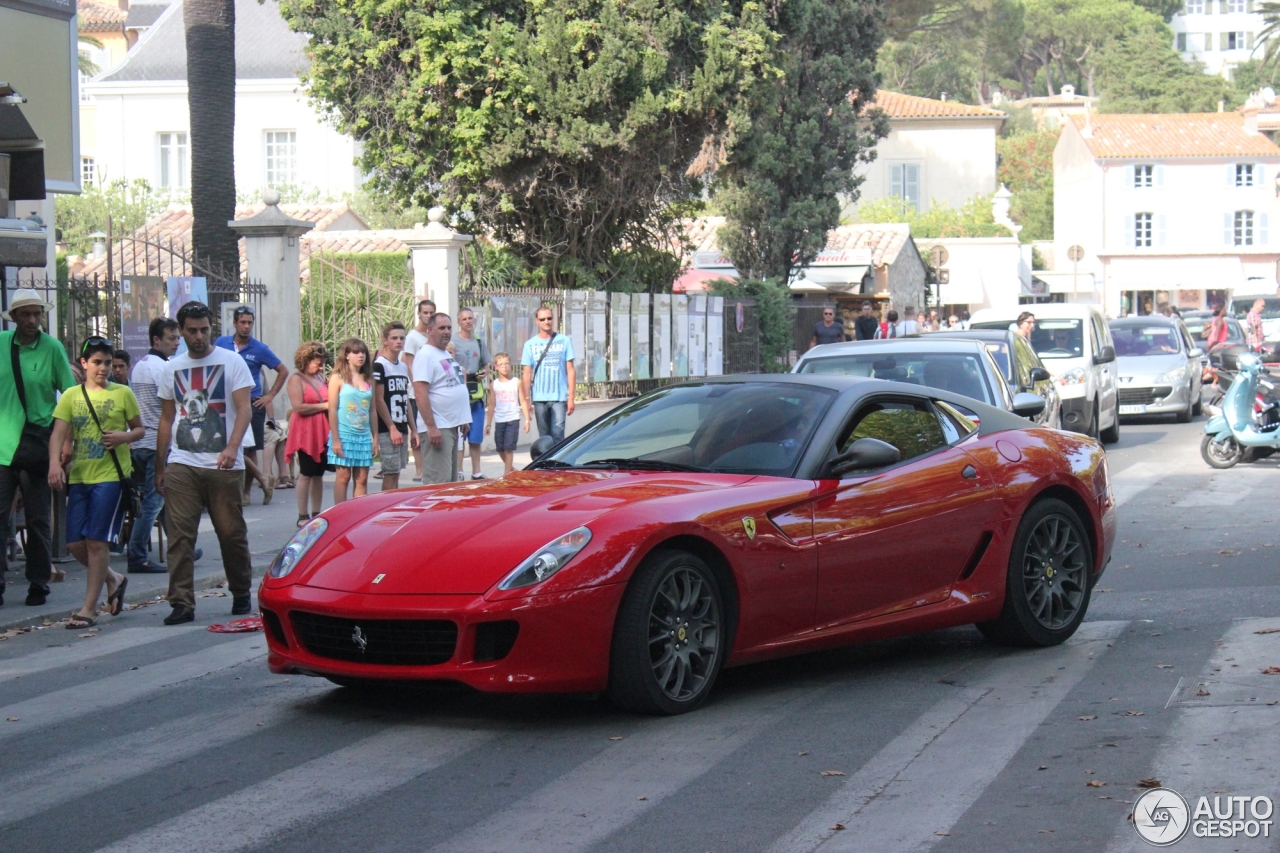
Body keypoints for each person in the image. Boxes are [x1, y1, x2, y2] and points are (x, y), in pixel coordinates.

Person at [155, 301, 255, 625]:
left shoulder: (232, 361)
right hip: (182, 462)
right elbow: (167, 419)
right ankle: (181, 602)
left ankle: (241, 590)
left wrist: (232, 447)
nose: (199, 336)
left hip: (224, 463)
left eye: (204, 330)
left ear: (211, 328)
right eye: (192, 330)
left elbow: (244, 410)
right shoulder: (171, 368)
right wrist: (161, 465)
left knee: (231, 534)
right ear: (181, 331)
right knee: (180, 535)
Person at [47, 337, 142, 628]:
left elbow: (139, 429)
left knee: (96, 543)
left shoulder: (123, 393)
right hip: (80, 476)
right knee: (75, 543)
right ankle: (114, 578)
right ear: (84, 364)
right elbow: (58, 433)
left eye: (108, 363)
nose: (103, 369)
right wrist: (54, 464)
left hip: (111, 477)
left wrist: (123, 436)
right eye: (97, 362)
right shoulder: (71, 396)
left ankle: (89, 607)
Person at [0, 289, 77, 608]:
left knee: (37, 519)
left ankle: (38, 582)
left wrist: (67, 442)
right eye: (26, 314)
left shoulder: (52, 348)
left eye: (36, 314)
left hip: (38, 447)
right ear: (14, 317)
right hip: (3, 448)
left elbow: (71, 397)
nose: (32, 320)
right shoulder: (3, 344)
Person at [214, 306, 287, 506]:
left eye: (249, 323)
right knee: (226, 444)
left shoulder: (259, 348)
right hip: (225, 402)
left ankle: (246, 492)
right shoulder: (221, 343)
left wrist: (269, 396)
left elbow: (283, 370)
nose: (246, 326)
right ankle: (263, 478)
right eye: (243, 322)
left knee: (250, 449)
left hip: (251, 402)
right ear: (235, 323)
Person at [126, 317, 180, 574]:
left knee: (164, 499)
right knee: (154, 502)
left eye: (177, 337)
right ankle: (137, 555)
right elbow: (172, 408)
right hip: (156, 444)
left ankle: (181, 546)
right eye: (172, 338)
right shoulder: (162, 369)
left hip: (141, 443)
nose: (176, 342)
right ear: (156, 340)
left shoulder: (140, 365)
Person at [413, 313, 472, 484]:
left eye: (448, 328)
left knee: (450, 485)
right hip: (439, 427)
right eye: (441, 328)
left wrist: (463, 418)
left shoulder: (443, 353)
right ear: (430, 330)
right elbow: (420, 393)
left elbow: (453, 385)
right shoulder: (425, 355)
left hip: (451, 426)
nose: (446, 332)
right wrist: (431, 427)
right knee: (438, 486)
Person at [284, 342, 330, 527]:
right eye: (317, 363)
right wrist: (326, 406)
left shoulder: (320, 377)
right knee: (306, 472)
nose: (321, 367)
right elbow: (298, 407)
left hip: (322, 428)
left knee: (319, 473)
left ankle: (316, 512)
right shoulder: (296, 379)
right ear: (306, 360)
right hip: (306, 430)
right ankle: (302, 514)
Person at [328, 338, 377, 503]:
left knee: (362, 478)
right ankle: (340, 515)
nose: (360, 355)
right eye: (356, 352)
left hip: (363, 436)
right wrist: (336, 439)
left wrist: (374, 438)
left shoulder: (369, 379)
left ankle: (358, 515)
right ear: (347, 355)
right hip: (344, 434)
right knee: (343, 477)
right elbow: (332, 408)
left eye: (363, 352)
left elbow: (372, 409)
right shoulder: (337, 377)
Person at [520, 306, 576, 444]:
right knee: (544, 438)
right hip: (539, 398)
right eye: (543, 319)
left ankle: (558, 465)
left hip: (559, 397)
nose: (547, 321)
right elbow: (527, 374)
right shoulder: (530, 345)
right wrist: (526, 399)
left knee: (558, 436)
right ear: (537, 321)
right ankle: (547, 465)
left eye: (549, 318)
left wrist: (571, 398)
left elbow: (571, 370)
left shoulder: (564, 341)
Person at [372, 322, 416, 491]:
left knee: (397, 470)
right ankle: (387, 511)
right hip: (388, 427)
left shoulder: (403, 367)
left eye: (401, 338)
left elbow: (406, 400)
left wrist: (413, 429)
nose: (398, 341)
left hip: (402, 424)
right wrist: (391, 427)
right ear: (385, 341)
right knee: (390, 472)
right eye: (394, 338)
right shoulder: (379, 365)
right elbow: (378, 399)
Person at [452, 307, 491, 480]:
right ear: (458, 322)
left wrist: (484, 372)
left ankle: (476, 471)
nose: (468, 321)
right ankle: (459, 471)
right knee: (460, 436)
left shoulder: (479, 342)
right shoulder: (452, 342)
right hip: (459, 393)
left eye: (470, 318)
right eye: (464, 319)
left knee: (475, 436)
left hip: (476, 394)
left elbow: (486, 364)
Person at [402, 298, 436, 482]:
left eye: (431, 312)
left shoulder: (430, 336)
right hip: (415, 391)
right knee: (416, 430)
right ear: (419, 314)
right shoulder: (412, 337)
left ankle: (428, 465)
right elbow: (409, 363)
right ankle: (419, 468)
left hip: (431, 391)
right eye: (425, 312)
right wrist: (417, 385)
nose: (428, 316)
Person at [485, 352, 531, 476]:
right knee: (500, 448)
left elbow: (522, 400)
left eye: (506, 363)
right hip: (500, 419)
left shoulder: (516, 382)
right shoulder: (494, 384)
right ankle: (511, 469)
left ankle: (506, 475)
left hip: (513, 418)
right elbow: (491, 405)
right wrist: (488, 424)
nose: (504, 366)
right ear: (496, 367)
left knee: (508, 447)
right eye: (501, 364)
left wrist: (527, 419)